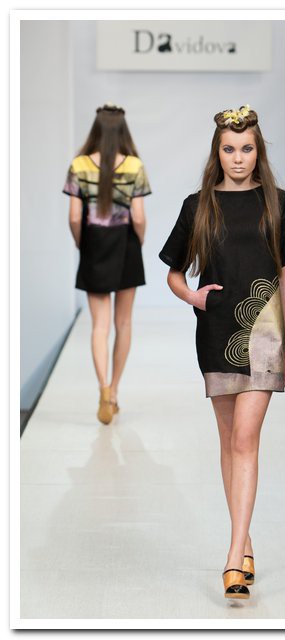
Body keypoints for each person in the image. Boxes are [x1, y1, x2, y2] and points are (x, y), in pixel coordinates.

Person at [159, 105, 285, 599]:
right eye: (229, 149)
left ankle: (232, 557)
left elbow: (284, 277)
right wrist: (192, 297)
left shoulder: (278, 203)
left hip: (265, 333)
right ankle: (245, 544)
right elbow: (173, 273)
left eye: (246, 149)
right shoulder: (198, 206)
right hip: (217, 329)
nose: (238, 158)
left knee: (245, 438)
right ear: (216, 152)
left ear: (258, 151)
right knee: (228, 442)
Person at [63, 102, 151, 425]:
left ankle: (102, 389)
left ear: (96, 130)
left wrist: (81, 243)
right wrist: (138, 242)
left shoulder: (79, 165)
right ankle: (114, 390)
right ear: (123, 131)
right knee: (123, 323)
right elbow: (138, 217)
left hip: (95, 245)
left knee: (99, 326)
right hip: (126, 244)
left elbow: (75, 217)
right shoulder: (134, 166)